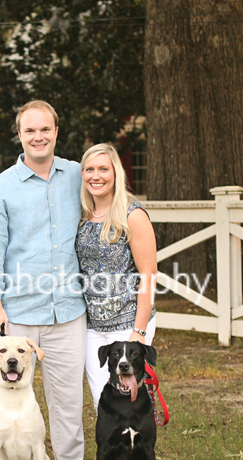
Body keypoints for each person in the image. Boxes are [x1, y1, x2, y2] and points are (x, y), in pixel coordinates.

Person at [0, 100, 93, 460]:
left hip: (68, 310)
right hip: (19, 311)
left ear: (56, 131)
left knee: (67, 402)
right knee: (5, 398)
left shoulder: (78, 175)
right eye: (30, 131)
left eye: (45, 129)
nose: (38, 137)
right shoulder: (0, 188)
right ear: (20, 135)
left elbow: (109, 203)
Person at [74, 143, 157, 408]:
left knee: (128, 398)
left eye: (103, 169)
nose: (95, 176)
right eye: (89, 169)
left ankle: (135, 449)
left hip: (128, 323)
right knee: (104, 402)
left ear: (115, 173)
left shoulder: (132, 215)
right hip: (92, 327)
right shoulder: (83, 216)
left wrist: (139, 332)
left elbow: (148, 275)